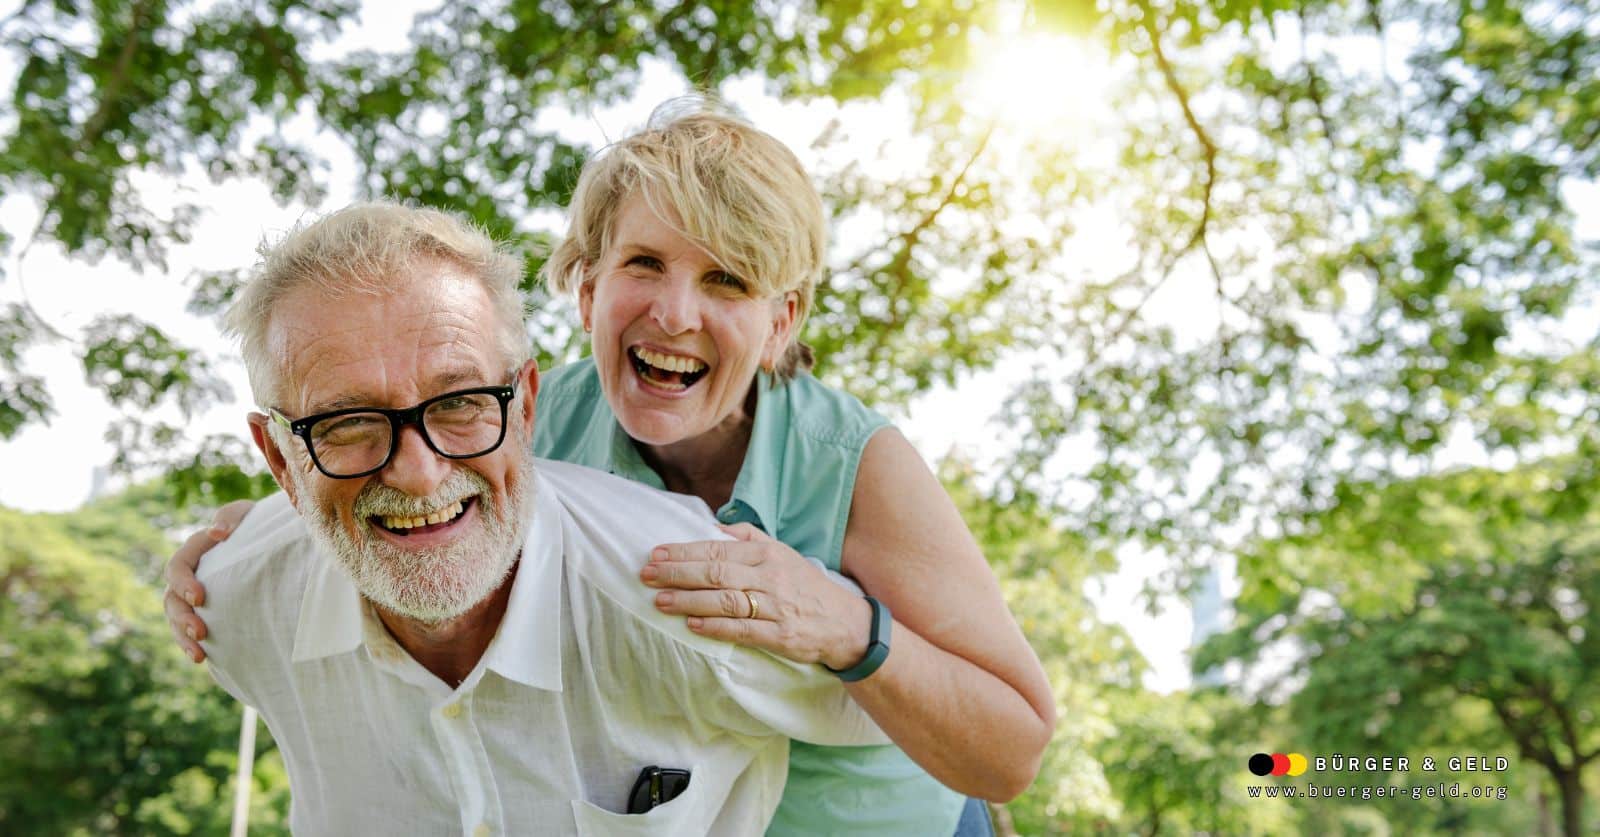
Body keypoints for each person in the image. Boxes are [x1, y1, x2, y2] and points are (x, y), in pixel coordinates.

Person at [167, 100, 1056, 836]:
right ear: (587, 287)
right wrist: (270, 521)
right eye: (646, 263)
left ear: (781, 321)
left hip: (878, 817)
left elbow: (1011, 749)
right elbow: (412, 460)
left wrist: (846, 624)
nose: (675, 312)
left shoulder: (854, 464)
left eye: (729, 280)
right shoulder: (527, 419)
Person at [198, 201, 891, 835]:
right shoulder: (229, 603)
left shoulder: (690, 597)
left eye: (461, 402)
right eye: (347, 423)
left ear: (526, 408)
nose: (418, 472)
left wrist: (861, 635)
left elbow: (896, 723)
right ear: (282, 461)